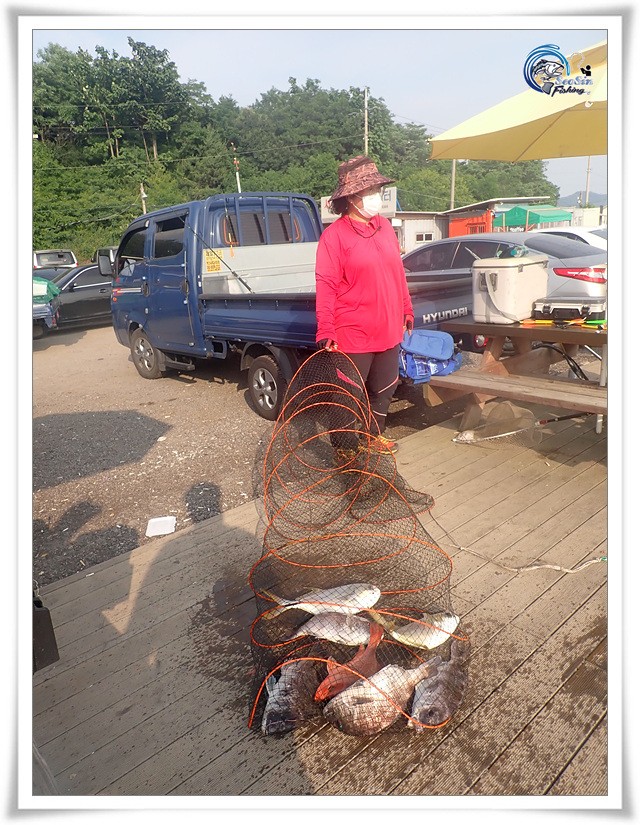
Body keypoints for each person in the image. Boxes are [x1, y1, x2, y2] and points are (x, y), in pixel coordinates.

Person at [315, 155, 414, 455]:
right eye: (369, 191)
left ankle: (372, 436)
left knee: (384, 388)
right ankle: (345, 449)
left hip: (388, 328)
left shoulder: (385, 227)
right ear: (351, 197)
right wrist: (325, 328)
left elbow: (398, 273)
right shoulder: (334, 237)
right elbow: (326, 284)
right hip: (353, 333)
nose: (375, 196)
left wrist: (407, 309)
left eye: (376, 190)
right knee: (348, 394)